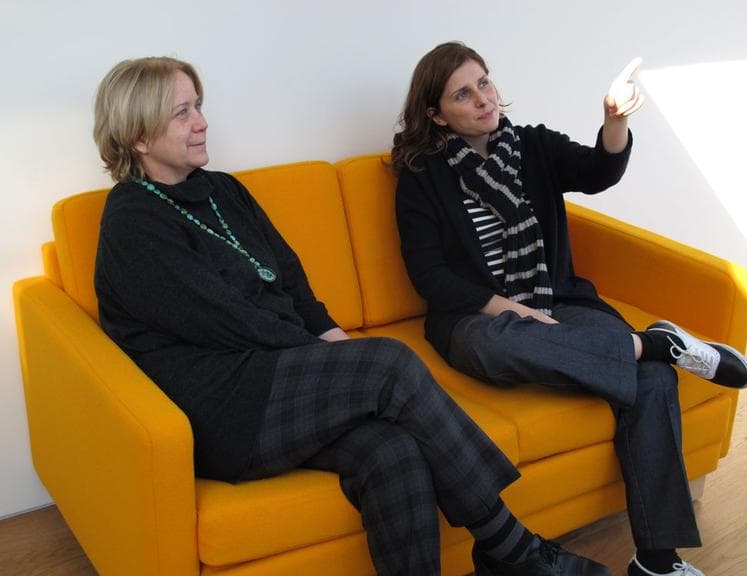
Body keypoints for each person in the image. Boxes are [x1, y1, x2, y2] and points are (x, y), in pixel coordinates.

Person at [92, 56, 612, 576]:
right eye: (182, 112)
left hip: (277, 376)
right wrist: (348, 365)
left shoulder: (224, 191)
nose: (202, 121)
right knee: (387, 364)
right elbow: (228, 321)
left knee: (393, 451)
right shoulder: (132, 220)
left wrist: (338, 343)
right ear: (138, 136)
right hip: (223, 406)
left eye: (198, 106)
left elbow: (291, 279)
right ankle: (512, 547)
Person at [392, 42, 747, 576]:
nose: (482, 100)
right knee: (505, 342)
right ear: (435, 112)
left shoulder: (531, 146)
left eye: (484, 83)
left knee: (654, 379)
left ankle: (657, 559)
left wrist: (613, 122)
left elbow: (598, 171)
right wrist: (510, 312)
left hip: (558, 300)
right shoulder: (423, 176)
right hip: (479, 320)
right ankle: (654, 342)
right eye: (462, 94)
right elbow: (430, 276)